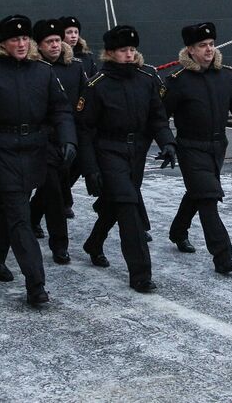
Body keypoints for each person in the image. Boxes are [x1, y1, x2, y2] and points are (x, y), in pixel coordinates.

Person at [0, 15, 75, 306]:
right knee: (19, 217)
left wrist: (67, 139)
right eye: (15, 39)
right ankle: (36, 285)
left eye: (25, 38)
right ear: (2, 43)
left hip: (36, 150)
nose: (21, 43)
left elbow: (61, 109)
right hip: (2, 151)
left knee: (14, 214)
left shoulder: (43, 71)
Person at [76, 25, 176, 292]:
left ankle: (94, 243)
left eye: (132, 49)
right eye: (123, 50)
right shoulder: (97, 85)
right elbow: (85, 131)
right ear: (110, 53)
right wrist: (90, 169)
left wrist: (167, 143)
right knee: (130, 209)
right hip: (109, 152)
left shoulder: (146, 78)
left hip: (137, 153)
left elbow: (158, 116)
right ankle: (141, 274)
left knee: (115, 204)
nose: (130, 54)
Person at [162, 23, 232, 275]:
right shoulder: (177, 82)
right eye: (202, 46)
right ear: (190, 50)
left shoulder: (225, 75)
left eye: (211, 44)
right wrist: (167, 144)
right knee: (208, 197)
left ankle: (177, 231)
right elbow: (159, 116)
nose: (209, 50)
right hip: (190, 147)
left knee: (199, 193)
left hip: (218, 147)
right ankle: (222, 256)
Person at [27, 18, 89, 263]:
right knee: (54, 193)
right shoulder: (33, 69)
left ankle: (32, 216)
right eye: (48, 42)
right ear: (38, 46)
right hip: (44, 141)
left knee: (59, 185)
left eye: (56, 40)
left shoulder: (74, 67)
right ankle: (59, 245)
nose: (54, 45)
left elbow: (85, 98)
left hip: (70, 137)